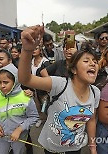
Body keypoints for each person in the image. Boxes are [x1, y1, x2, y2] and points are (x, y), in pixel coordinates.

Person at [18, 25, 100, 154]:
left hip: (75, 148)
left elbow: (92, 120)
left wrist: (93, 147)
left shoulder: (96, 92)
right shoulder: (59, 84)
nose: (92, 63)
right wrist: (27, 50)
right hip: (52, 148)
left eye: (95, 61)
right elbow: (25, 79)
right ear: (74, 69)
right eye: (86, 60)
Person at [0, 63, 39, 154]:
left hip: (19, 137)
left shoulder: (26, 97)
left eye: (6, 82)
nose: (2, 86)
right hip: (1, 136)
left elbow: (34, 117)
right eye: (0, 82)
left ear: (15, 81)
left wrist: (19, 129)